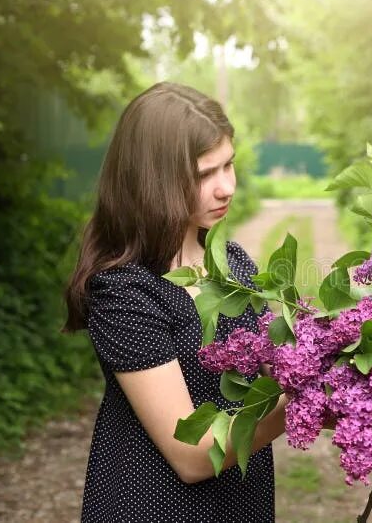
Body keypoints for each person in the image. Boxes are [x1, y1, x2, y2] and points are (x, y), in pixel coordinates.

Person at [64, 82, 285, 523]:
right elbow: (191, 456)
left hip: (241, 501)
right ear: (154, 179)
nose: (226, 188)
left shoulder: (232, 263)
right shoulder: (124, 291)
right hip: (154, 505)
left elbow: (273, 369)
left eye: (229, 165)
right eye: (205, 175)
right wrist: (307, 405)